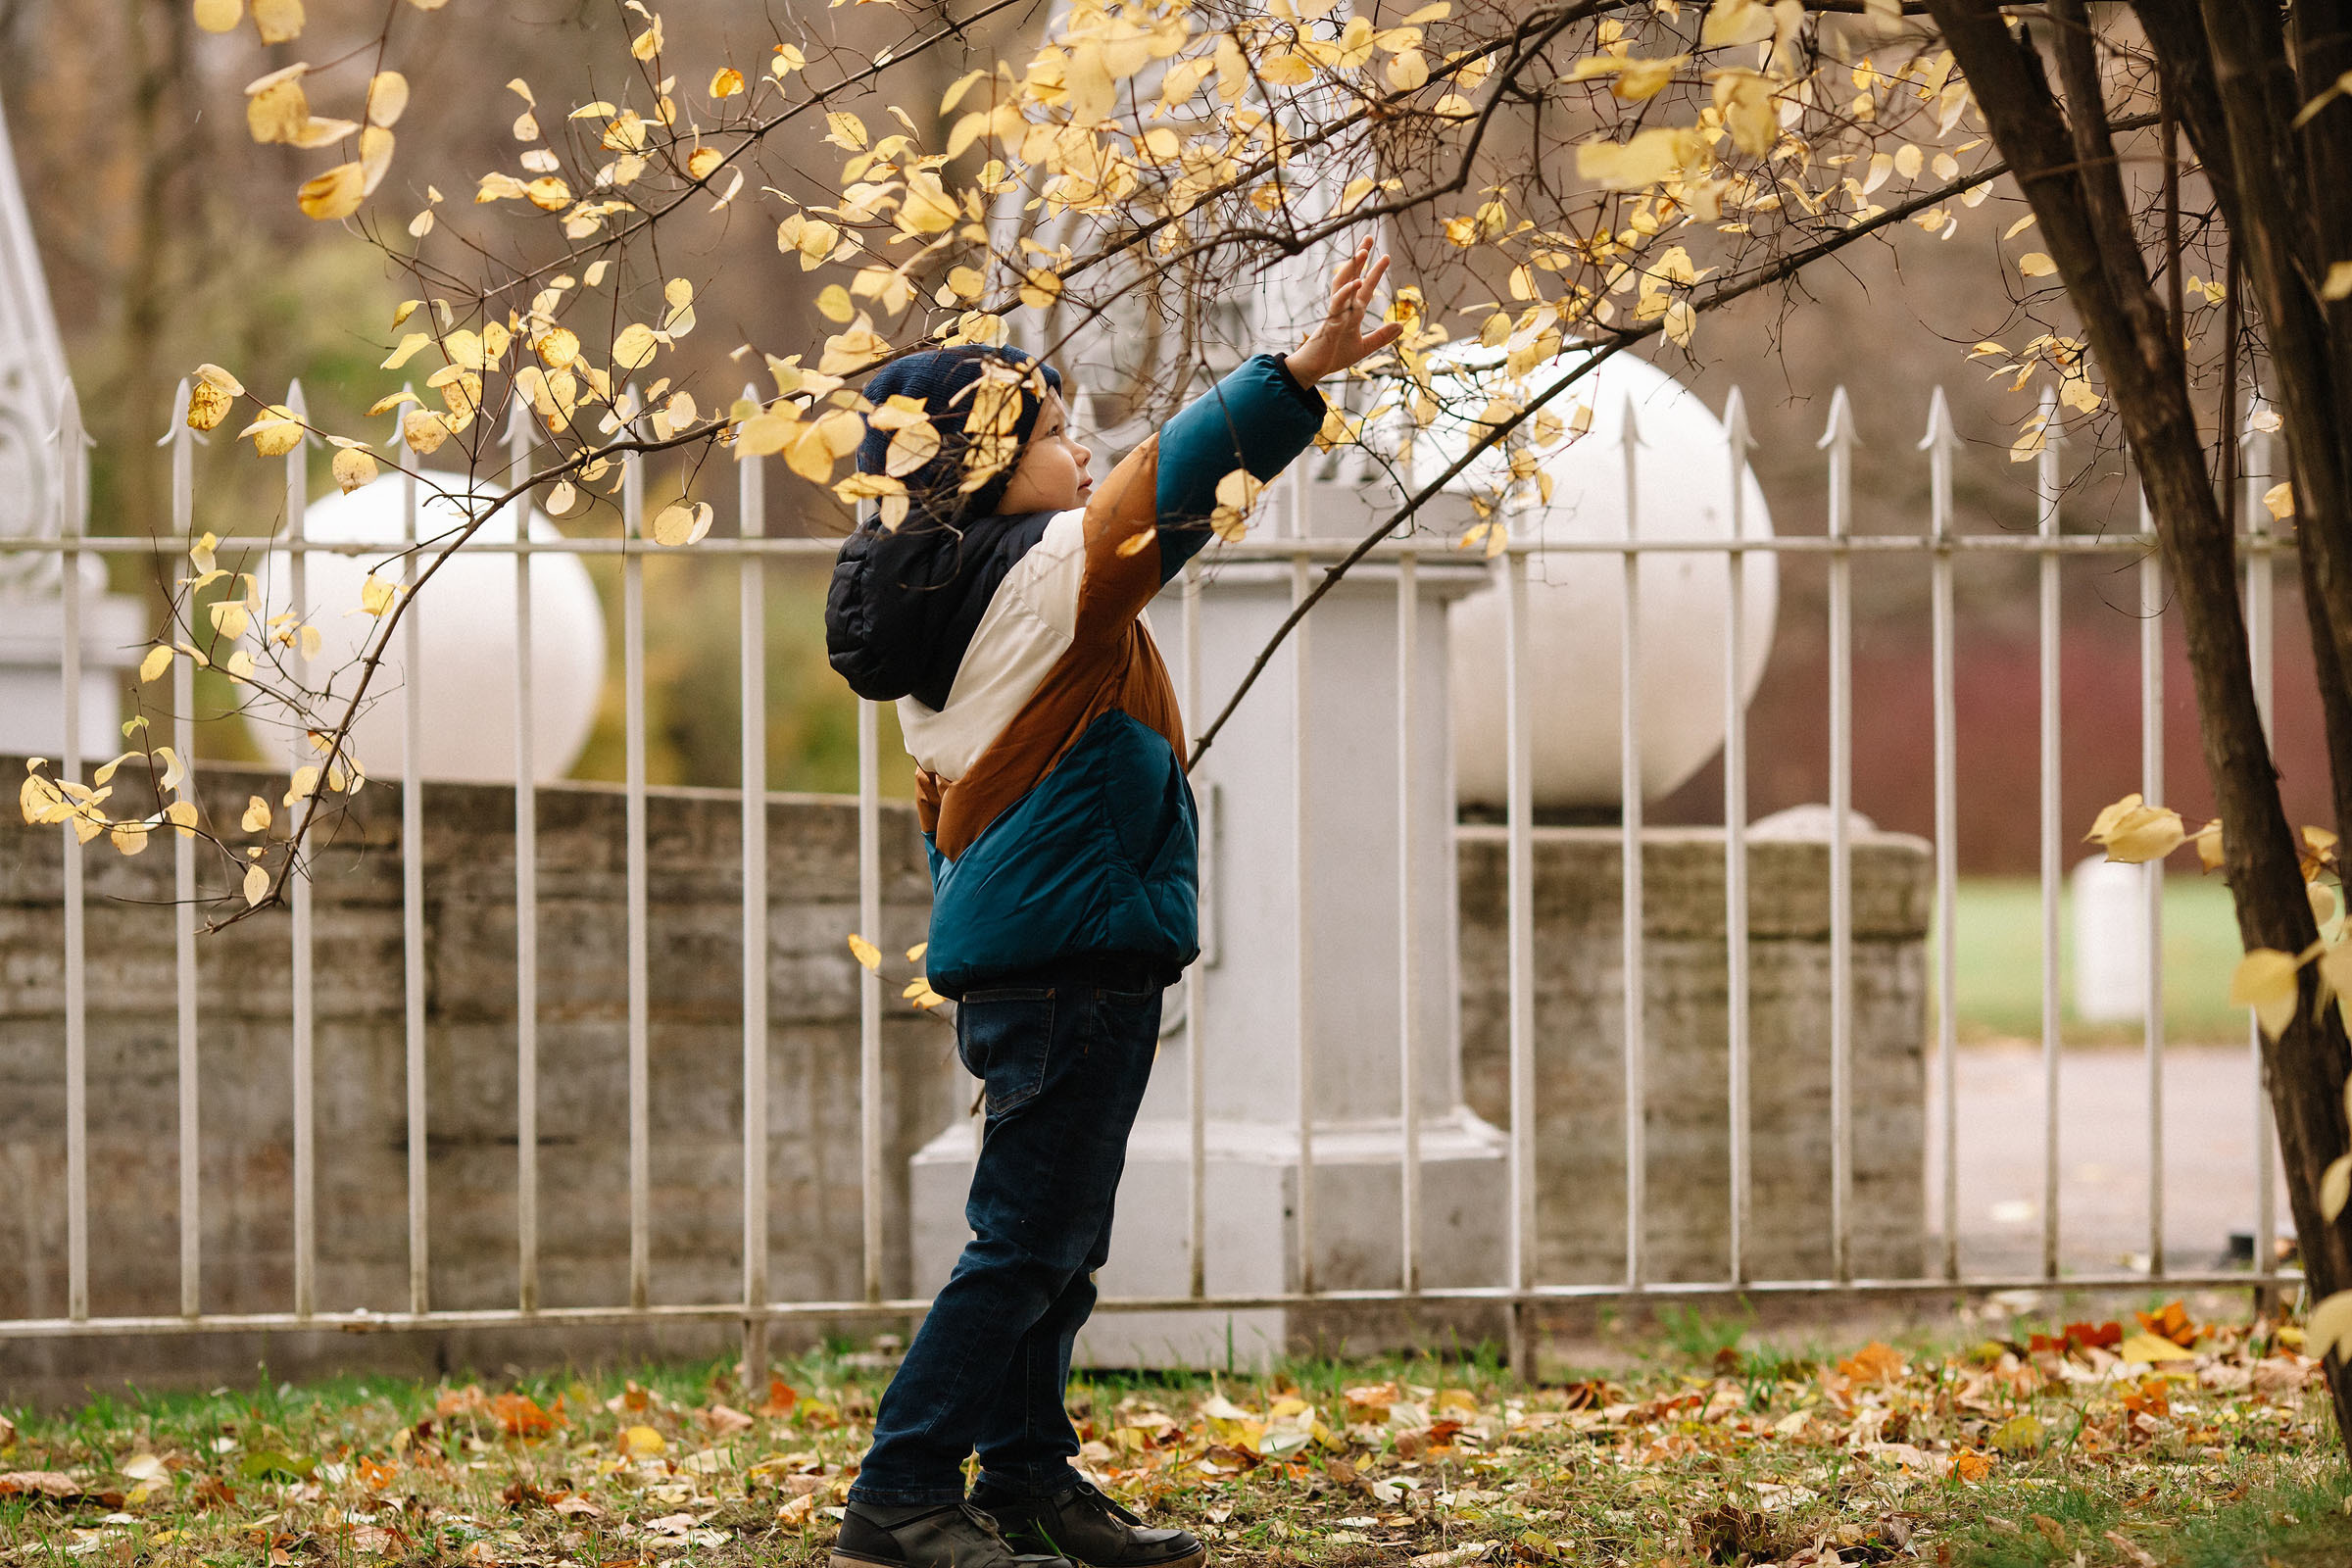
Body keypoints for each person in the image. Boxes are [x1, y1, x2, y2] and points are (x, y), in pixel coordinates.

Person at [821, 239, 1400, 1568]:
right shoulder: (1038, 577)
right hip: (1069, 954)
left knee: (1056, 1243)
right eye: (1053, 432)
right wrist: (1300, 370)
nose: (1082, 452)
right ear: (978, 460)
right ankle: (899, 1496)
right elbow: (1176, 481)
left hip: (1050, 951)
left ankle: (1027, 1476)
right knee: (1026, 1243)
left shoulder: (961, 600)